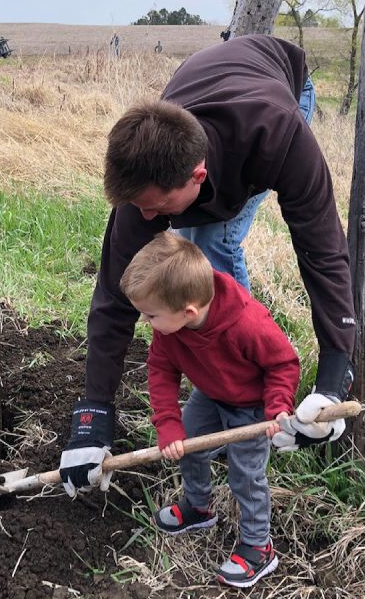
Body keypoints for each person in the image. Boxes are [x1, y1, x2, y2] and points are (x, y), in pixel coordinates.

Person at [59, 34, 356, 497]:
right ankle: (222, 390)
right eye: (141, 208)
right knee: (187, 260)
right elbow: (115, 295)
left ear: (197, 174)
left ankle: (244, 392)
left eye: (158, 208)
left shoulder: (279, 135)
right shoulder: (146, 190)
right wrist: (93, 415)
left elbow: (322, 252)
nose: (150, 219)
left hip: (280, 89)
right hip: (206, 98)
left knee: (212, 244)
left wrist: (334, 380)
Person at [119, 232, 299, 587]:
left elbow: (284, 363)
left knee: (245, 476)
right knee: (188, 442)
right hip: (212, 394)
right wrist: (169, 425)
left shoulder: (247, 324)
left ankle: (258, 547)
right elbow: (160, 370)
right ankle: (198, 507)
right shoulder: (170, 327)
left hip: (251, 407)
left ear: (187, 311)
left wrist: (277, 406)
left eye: (150, 315)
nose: (146, 322)